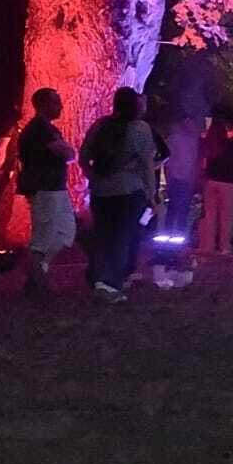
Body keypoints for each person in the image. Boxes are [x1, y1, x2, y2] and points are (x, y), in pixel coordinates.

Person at [80, 88, 156, 303]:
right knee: (122, 237)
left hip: (101, 191)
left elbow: (84, 156)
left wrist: (93, 177)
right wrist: (151, 193)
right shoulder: (140, 129)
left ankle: (98, 278)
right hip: (129, 190)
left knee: (103, 235)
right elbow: (147, 165)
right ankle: (112, 284)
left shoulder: (100, 125)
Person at [17, 88, 77, 296]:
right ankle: (39, 281)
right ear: (44, 105)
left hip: (54, 188)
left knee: (65, 231)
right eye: (56, 102)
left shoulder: (44, 129)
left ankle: (38, 270)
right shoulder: (41, 130)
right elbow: (66, 153)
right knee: (44, 235)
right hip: (45, 188)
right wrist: (67, 151)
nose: (61, 107)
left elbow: (67, 152)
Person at [196, 117, 233, 256]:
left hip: (211, 181)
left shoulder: (208, 143)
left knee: (210, 215)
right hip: (228, 182)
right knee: (226, 216)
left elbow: (201, 141)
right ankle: (224, 246)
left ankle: (208, 246)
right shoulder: (231, 143)